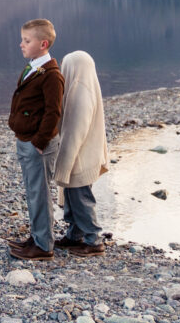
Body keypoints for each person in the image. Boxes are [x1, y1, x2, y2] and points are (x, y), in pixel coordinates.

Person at [7, 18, 64, 260]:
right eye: (22, 39)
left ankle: (44, 246)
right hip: (25, 138)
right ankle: (37, 235)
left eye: (26, 41)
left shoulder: (51, 75)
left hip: (37, 144)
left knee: (40, 193)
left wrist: (40, 141)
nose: (21, 44)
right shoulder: (33, 66)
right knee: (32, 191)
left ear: (43, 44)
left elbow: (54, 112)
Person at [53, 50, 108, 256]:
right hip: (85, 153)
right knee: (72, 195)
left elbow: (75, 129)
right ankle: (74, 235)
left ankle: (94, 240)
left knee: (81, 196)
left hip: (81, 156)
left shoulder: (80, 90)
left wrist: (64, 161)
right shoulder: (85, 85)